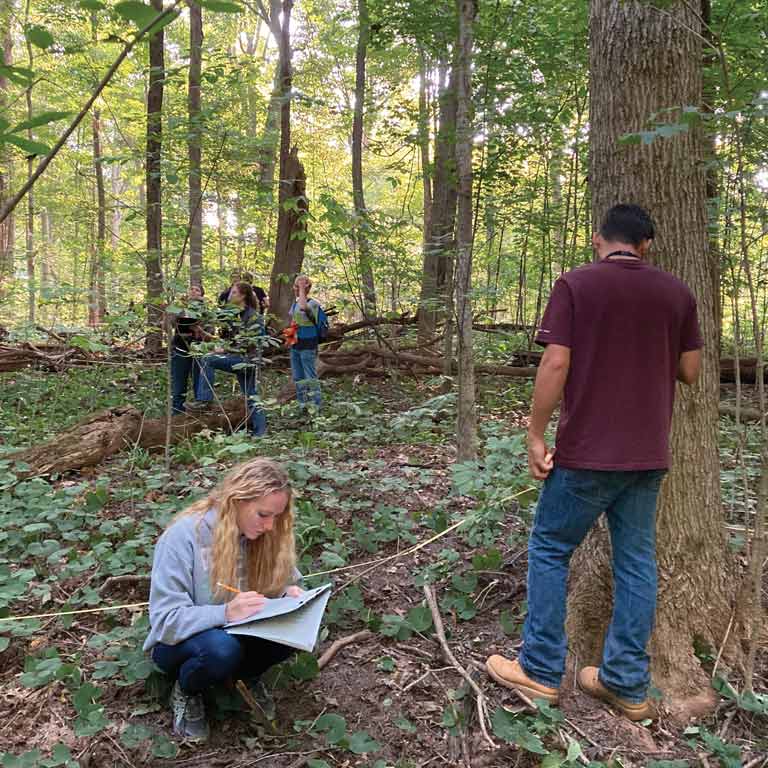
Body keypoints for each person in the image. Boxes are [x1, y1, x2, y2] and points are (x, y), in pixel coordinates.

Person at [485, 204, 703, 721]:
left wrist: (535, 434)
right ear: (646, 245)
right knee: (635, 561)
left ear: (596, 239)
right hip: (647, 455)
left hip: (587, 452)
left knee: (550, 546)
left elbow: (556, 360)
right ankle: (625, 683)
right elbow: (690, 371)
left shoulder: (576, 285)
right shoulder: (676, 293)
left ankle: (539, 670)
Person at [144, 458, 303, 742]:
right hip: (179, 643)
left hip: (239, 631)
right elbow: (165, 622)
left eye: (277, 517)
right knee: (220, 650)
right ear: (237, 501)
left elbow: (288, 581)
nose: (270, 526)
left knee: (292, 626)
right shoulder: (184, 536)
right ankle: (187, 689)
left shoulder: (264, 535)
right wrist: (225, 613)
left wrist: (287, 595)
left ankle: (245, 677)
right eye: (264, 515)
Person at [188, 282, 268, 436]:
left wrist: (225, 349)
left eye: (234, 293)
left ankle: (204, 400)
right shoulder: (234, 317)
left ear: (243, 296)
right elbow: (227, 342)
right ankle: (260, 432)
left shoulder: (253, 316)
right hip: (237, 358)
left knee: (208, 359)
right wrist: (204, 333)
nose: (230, 296)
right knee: (251, 396)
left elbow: (251, 343)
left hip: (247, 361)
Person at [288, 274, 325, 409]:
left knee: (310, 376)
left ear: (305, 287)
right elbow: (294, 320)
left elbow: (304, 308)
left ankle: (316, 406)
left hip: (308, 345)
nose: (294, 289)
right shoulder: (296, 303)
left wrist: (302, 287)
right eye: (295, 286)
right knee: (298, 377)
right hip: (296, 344)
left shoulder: (313, 304)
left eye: (296, 286)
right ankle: (302, 405)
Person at [169, 284, 207, 415]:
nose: (194, 291)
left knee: (199, 382)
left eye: (197, 290)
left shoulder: (205, 310)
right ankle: (177, 413)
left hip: (198, 350)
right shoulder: (179, 307)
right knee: (179, 384)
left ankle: (198, 413)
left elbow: (210, 330)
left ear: (202, 294)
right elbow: (172, 323)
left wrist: (200, 331)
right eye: (191, 289)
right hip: (180, 349)